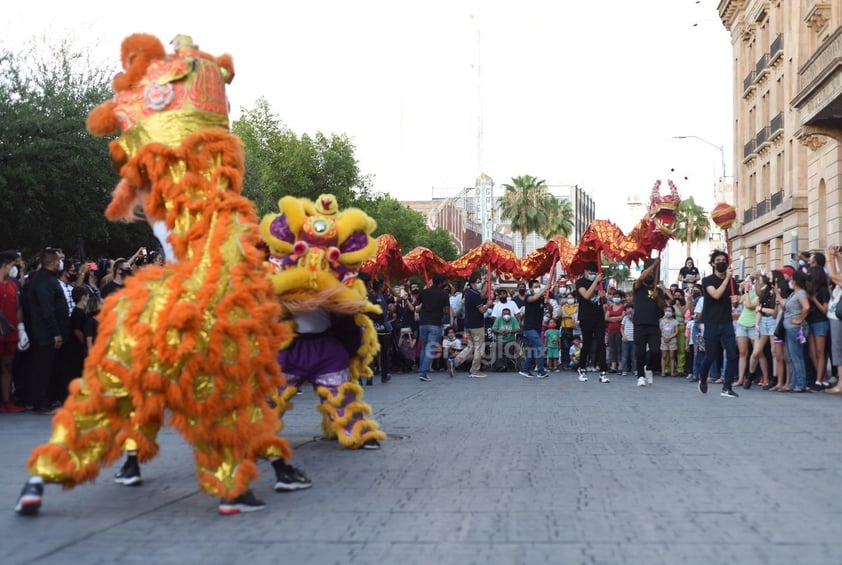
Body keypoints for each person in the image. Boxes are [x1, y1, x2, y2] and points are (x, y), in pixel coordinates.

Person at [26, 248, 69, 414]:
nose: (61, 263)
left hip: (48, 332)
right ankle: (40, 403)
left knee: (49, 368)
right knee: (42, 369)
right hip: (45, 333)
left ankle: (48, 399)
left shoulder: (48, 278)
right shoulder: (43, 280)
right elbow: (47, 309)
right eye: (59, 260)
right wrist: (55, 332)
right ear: (54, 262)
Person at [697, 250, 740, 398]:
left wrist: (736, 300)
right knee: (710, 356)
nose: (721, 262)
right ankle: (703, 378)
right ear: (713, 263)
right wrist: (727, 279)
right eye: (718, 260)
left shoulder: (733, 282)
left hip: (726, 321)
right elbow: (716, 295)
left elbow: (736, 299)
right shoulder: (707, 280)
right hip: (711, 322)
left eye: (724, 259)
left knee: (732, 355)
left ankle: (727, 387)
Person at [451, 273, 492, 378]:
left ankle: (454, 362)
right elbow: (482, 310)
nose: (479, 284)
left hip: (468, 324)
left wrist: (487, 282)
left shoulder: (468, 293)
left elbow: (482, 294)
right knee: (479, 348)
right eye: (478, 282)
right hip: (476, 325)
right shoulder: (474, 295)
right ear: (472, 283)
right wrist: (488, 304)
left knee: (470, 347)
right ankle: (474, 370)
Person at [575, 262, 610, 383]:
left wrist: (603, 297)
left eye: (594, 274)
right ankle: (582, 368)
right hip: (586, 317)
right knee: (587, 344)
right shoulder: (580, 283)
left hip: (599, 316)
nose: (592, 275)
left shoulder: (600, 283)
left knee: (601, 344)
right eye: (591, 273)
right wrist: (595, 282)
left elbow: (603, 300)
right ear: (585, 272)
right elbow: (586, 295)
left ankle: (603, 372)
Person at [633, 258, 665, 387]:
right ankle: (640, 375)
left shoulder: (658, 290)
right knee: (640, 352)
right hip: (640, 324)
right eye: (648, 273)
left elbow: (663, 307)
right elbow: (641, 278)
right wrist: (654, 265)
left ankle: (649, 368)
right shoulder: (638, 287)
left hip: (653, 325)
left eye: (652, 273)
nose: (650, 275)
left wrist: (657, 297)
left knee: (655, 351)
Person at [416, 273, 453, 382]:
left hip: (423, 323)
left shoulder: (424, 292)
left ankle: (421, 369)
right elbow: (446, 311)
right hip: (435, 323)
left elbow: (416, 304)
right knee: (430, 348)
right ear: (441, 283)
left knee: (424, 347)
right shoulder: (443, 295)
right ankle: (423, 372)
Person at [0, 251, 24, 413]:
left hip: (11, 332)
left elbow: (18, 307)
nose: (13, 268)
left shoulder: (13, 284)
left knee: (8, 366)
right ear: (4, 266)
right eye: (11, 265)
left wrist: (21, 329)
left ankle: (7, 401)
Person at [781, 270, 810, 392]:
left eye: (792, 279)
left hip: (795, 328)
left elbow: (806, 307)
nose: (790, 281)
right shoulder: (794, 293)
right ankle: (794, 383)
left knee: (796, 356)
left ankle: (800, 383)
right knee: (791, 357)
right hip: (789, 327)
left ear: (796, 281)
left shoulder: (801, 293)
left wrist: (799, 320)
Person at [518, 279, 550, 379]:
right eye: (536, 287)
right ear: (531, 288)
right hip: (529, 327)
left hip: (537, 327)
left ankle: (525, 369)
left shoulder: (540, 298)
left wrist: (547, 303)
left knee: (533, 349)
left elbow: (549, 309)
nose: (538, 288)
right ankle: (541, 371)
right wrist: (544, 289)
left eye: (539, 286)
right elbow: (532, 299)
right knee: (540, 347)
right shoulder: (528, 297)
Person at [805, 266, 830, 389]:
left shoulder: (823, 290)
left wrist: (813, 299)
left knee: (820, 352)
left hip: (820, 321)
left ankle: (819, 380)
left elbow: (825, 310)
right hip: (811, 322)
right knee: (812, 353)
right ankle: (822, 377)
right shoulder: (810, 289)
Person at [749, 275, 775, 388]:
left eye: (760, 281)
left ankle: (774, 378)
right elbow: (758, 309)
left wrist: (761, 309)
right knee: (756, 352)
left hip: (772, 320)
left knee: (774, 352)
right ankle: (751, 374)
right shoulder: (763, 294)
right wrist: (756, 324)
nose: (759, 283)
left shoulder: (775, 294)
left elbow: (774, 312)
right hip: (763, 321)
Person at [734, 276, 759, 387]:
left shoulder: (758, 294)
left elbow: (749, 306)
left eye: (749, 281)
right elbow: (738, 302)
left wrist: (747, 291)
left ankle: (766, 378)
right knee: (742, 352)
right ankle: (740, 379)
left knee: (758, 352)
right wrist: (740, 291)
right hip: (742, 324)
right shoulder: (746, 293)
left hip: (753, 325)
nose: (746, 282)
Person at [825, 246, 842, 395]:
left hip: (838, 316)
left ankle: (841, 384)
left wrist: (827, 257)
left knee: (838, 348)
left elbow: (833, 276)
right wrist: (836, 256)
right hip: (836, 314)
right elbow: (838, 273)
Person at [491, 306, 520, 371]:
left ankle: (506, 365)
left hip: (510, 340)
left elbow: (518, 329)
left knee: (510, 347)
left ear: (510, 314)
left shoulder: (513, 319)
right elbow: (493, 329)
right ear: (502, 314)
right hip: (500, 339)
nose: (506, 315)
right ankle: (500, 366)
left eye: (508, 314)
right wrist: (500, 332)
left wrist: (509, 331)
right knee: (497, 347)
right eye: (505, 314)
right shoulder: (498, 319)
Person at [605, 291, 624, 373]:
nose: (616, 298)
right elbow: (606, 317)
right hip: (611, 329)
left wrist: (612, 318)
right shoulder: (610, 307)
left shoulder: (623, 307)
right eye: (615, 296)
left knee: (619, 347)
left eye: (618, 296)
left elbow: (622, 317)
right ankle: (613, 365)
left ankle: (620, 365)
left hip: (619, 330)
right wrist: (616, 318)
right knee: (612, 348)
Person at [659, 306, 678, 377]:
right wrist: (665, 337)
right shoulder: (662, 321)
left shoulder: (675, 321)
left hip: (672, 341)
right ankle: (663, 372)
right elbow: (660, 330)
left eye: (670, 311)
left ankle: (672, 372)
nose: (668, 312)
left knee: (672, 356)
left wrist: (670, 337)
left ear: (673, 313)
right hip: (664, 341)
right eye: (666, 311)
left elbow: (676, 332)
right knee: (663, 356)